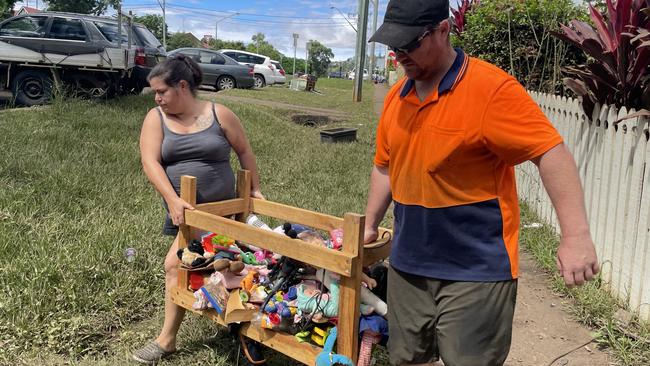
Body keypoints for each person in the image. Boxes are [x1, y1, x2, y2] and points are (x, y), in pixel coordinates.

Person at [363, 1, 600, 365]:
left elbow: (550, 152)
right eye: (394, 47)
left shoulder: (491, 90)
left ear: (443, 30)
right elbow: (385, 167)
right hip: (409, 265)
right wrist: (370, 223)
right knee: (406, 359)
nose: (399, 56)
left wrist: (576, 237)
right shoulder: (398, 97)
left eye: (409, 44)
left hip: (474, 270)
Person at [132, 54, 265, 365]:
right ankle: (221, 322)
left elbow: (244, 151)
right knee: (185, 265)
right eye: (155, 93)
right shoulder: (156, 118)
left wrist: (255, 189)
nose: (157, 98)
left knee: (190, 265)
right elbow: (150, 162)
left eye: (161, 91)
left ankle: (173, 338)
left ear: (182, 86)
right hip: (186, 213)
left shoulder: (220, 114)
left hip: (224, 212)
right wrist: (173, 199)